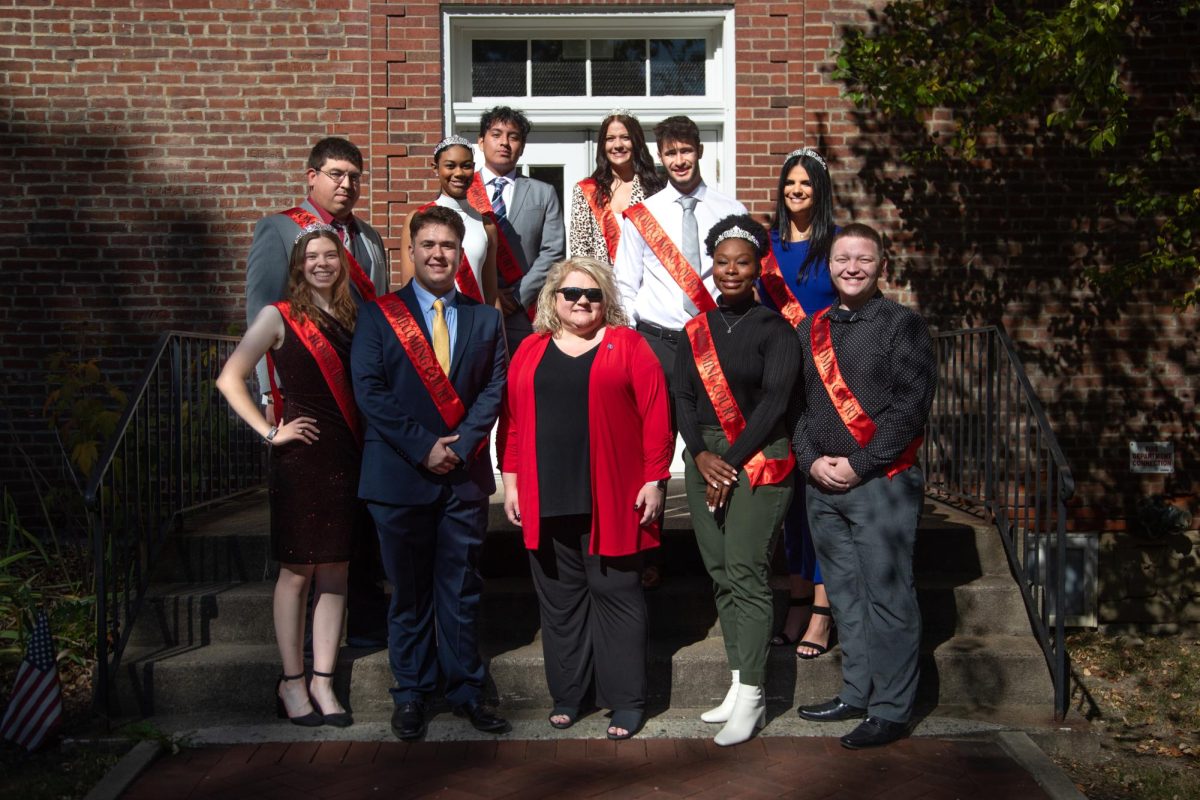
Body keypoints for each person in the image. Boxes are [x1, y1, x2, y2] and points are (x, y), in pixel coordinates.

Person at [350, 205, 509, 741]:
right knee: (410, 592)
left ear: (460, 254)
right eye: (428, 245)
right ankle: (412, 692)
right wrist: (423, 448)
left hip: (462, 476)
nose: (438, 254)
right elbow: (369, 389)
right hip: (398, 476)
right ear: (410, 252)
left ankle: (466, 689)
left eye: (447, 245)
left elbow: (494, 389)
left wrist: (460, 445)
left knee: (461, 589)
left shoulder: (486, 318)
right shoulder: (377, 315)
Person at [499, 257, 672, 741]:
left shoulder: (629, 345)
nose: (581, 302)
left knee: (617, 596)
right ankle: (569, 695)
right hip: (546, 493)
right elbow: (511, 423)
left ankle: (627, 701)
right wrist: (510, 481)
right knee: (560, 602)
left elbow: (657, 416)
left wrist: (655, 478)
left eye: (593, 294)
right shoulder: (531, 350)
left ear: (606, 301)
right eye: (571, 293)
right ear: (553, 298)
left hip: (614, 497)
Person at [793, 223, 937, 749]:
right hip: (823, 487)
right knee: (847, 598)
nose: (852, 267)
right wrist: (810, 462)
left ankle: (891, 708)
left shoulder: (903, 325)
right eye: (842, 258)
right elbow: (802, 409)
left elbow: (909, 408)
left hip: (883, 485)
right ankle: (856, 692)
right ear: (828, 266)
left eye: (864, 259)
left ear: (882, 266)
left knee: (888, 598)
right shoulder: (812, 329)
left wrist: (860, 463)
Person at [244, 136, 390, 648]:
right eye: (335, 174)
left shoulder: (369, 239)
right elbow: (261, 311)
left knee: (358, 516)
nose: (346, 184)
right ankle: (299, 645)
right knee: (307, 534)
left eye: (354, 175)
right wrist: (270, 399)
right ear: (311, 177)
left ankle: (361, 624)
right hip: (302, 400)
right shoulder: (280, 229)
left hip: (358, 406)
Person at [217, 226, 364, 728]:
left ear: (341, 263)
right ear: (299, 265)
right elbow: (229, 377)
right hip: (301, 458)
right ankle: (292, 681)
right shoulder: (277, 316)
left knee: (336, 569)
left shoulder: (353, 315)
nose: (322, 263)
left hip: (346, 455)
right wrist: (268, 432)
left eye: (330, 256)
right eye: (312, 257)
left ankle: (324, 681)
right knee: (297, 571)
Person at [675, 215, 800, 746]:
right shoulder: (695, 329)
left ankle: (754, 695)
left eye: (741, 262)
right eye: (722, 262)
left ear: (757, 268)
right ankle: (735, 680)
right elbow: (682, 398)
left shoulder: (777, 330)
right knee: (722, 572)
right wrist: (701, 454)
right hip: (706, 456)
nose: (730, 270)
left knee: (748, 572)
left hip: (761, 457)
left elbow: (774, 404)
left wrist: (731, 461)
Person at [612, 115, 748, 589]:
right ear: (661, 156)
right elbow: (624, 286)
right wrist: (633, 343)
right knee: (650, 450)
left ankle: (726, 549)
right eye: (670, 152)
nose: (679, 159)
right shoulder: (642, 215)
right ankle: (648, 554)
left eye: (686, 149)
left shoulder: (732, 210)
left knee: (714, 442)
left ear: (699, 150)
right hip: (657, 342)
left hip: (713, 344)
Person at [761, 147, 840, 660]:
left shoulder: (834, 245)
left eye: (806, 185)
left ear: (820, 191)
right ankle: (794, 600)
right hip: (778, 382)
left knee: (820, 499)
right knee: (788, 499)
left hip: (826, 380)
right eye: (790, 183)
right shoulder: (764, 247)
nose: (796, 191)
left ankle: (822, 611)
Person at [468, 106, 566, 349]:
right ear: (481, 142)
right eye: (496, 134)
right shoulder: (464, 189)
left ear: (522, 147)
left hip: (524, 313)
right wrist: (485, 292)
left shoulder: (544, 192)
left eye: (513, 137)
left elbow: (553, 251)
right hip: (471, 306)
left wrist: (517, 296)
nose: (504, 143)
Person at [399, 135, 498, 305]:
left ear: (473, 169)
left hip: (475, 325)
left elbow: (491, 295)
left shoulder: (487, 226)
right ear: (435, 168)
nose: (458, 173)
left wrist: (498, 331)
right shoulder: (417, 218)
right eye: (450, 166)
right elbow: (408, 286)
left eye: (466, 166)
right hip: (431, 321)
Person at [568, 111, 664, 262]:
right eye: (610, 139)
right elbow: (580, 252)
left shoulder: (655, 188)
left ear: (636, 142)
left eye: (625, 138)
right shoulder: (586, 191)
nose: (618, 145)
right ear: (602, 144)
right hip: (601, 282)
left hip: (646, 282)